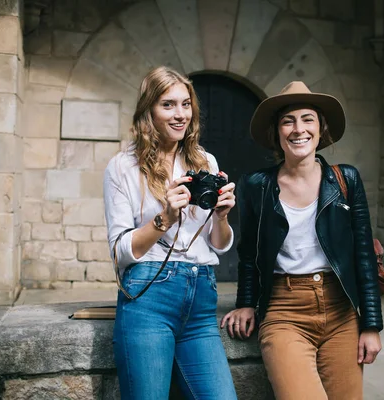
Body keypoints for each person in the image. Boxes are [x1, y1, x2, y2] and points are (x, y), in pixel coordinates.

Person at [221, 81, 384, 399]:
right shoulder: (257, 185)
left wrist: (371, 325)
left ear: (320, 128)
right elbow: (248, 252)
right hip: (285, 311)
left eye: (307, 119)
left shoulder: (345, 179)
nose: (299, 129)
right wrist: (245, 304)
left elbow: (363, 253)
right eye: (288, 120)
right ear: (277, 132)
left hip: (341, 312)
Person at [104, 66, 238, 400]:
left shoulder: (204, 160)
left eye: (185, 104)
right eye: (168, 105)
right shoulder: (123, 166)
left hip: (202, 295)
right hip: (149, 296)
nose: (180, 115)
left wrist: (221, 216)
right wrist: (165, 217)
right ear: (148, 110)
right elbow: (121, 251)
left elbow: (218, 245)